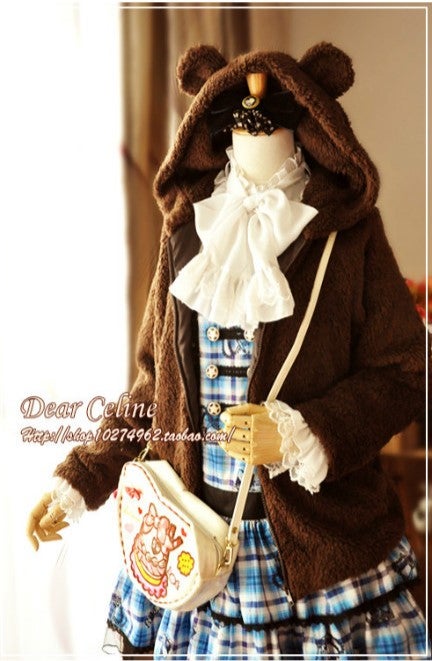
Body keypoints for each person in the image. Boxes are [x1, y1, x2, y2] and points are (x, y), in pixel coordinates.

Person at [28, 43, 428, 659]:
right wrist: (82, 478)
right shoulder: (186, 230)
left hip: (321, 563)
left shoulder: (348, 233)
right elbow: (153, 388)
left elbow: (404, 371)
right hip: (195, 555)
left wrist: (305, 433)